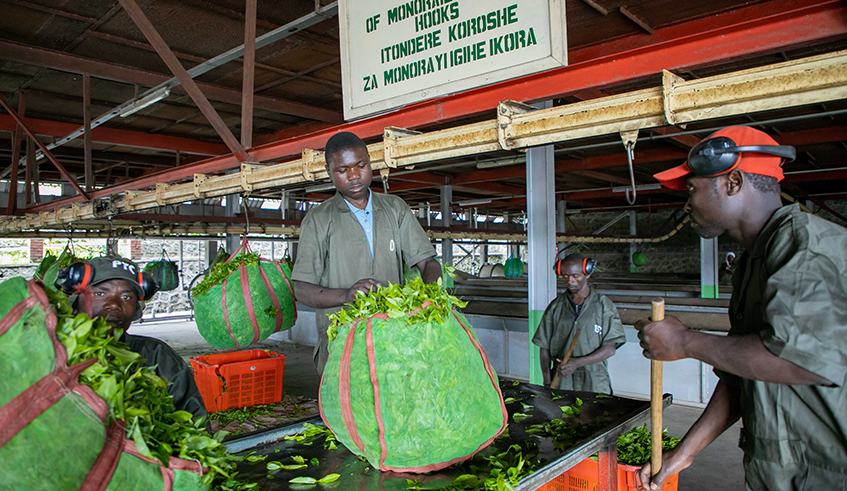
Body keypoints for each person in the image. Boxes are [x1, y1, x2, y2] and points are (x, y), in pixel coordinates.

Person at [636, 125, 847, 490]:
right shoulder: (753, 262)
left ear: (733, 182)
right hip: (778, 472)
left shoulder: (804, 248)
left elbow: (796, 361)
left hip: (827, 473)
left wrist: (685, 343)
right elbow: (740, 373)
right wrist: (684, 453)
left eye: (692, 189)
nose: (687, 204)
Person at [291, 132, 442, 375]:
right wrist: (347, 295)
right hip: (342, 344)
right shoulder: (319, 220)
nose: (353, 176)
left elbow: (428, 263)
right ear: (329, 171)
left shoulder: (395, 208)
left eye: (361, 165)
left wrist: (430, 297)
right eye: (343, 170)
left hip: (393, 340)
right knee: (348, 407)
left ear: (370, 163)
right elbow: (302, 289)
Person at [65, 256, 206, 418]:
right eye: (99, 293)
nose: (114, 304)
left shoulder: (156, 356)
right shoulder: (49, 356)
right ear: (75, 305)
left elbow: (194, 419)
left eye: (126, 297)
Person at [532, 253, 626, 393]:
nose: (570, 281)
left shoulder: (603, 306)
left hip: (594, 380)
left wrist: (577, 362)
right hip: (562, 379)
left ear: (587, 274)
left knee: (595, 414)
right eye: (565, 276)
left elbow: (610, 348)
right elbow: (544, 347)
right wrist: (546, 380)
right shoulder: (555, 307)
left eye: (576, 276)